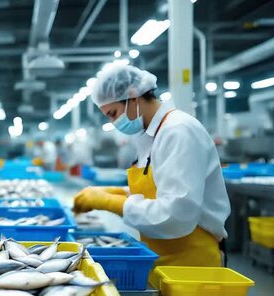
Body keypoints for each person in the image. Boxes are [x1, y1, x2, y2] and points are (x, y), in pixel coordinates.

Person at [74, 64, 230, 268]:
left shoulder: (178, 131)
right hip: (163, 256)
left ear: (133, 97)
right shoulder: (152, 135)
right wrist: (120, 192)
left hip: (193, 263)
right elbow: (162, 190)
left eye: (113, 113)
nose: (113, 122)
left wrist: (113, 203)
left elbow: (176, 214)